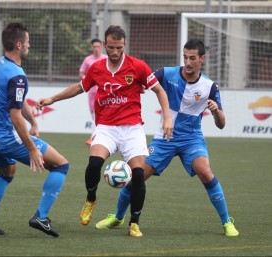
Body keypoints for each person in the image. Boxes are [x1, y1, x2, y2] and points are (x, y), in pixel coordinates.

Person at [37, 25, 173, 237]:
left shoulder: (138, 66)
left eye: (119, 47)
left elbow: (159, 90)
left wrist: (167, 117)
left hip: (132, 128)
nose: (115, 52)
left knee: (138, 175)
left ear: (124, 44)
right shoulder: (97, 68)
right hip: (106, 127)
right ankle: (91, 198)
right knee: (94, 164)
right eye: (111, 47)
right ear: (105, 45)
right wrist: (52, 98)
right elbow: (79, 87)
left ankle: (134, 223)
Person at [95, 39, 239, 237]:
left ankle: (226, 222)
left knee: (205, 172)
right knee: (137, 176)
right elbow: (144, 81)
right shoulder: (166, 73)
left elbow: (221, 123)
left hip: (191, 139)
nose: (188, 62)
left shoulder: (209, 86)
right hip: (165, 138)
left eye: (192, 58)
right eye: (185, 57)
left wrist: (215, 111)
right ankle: (118, 217)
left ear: (202, 59)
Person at [0, 22, 69, 238]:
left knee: (7, 172)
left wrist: (34, 122)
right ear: (19, 45)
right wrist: (31, 149)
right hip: (6, 137)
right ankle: (41, 217)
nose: (30, 45)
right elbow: (14, 114)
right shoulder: (17, 76)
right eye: (27, 42)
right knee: (61, 165)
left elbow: (17, 103)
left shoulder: (0, 63)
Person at [78, 38, 107, 146]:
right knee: (94, 116)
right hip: (92, 93)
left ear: (102, 47)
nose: (96, 49)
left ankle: (93, 138)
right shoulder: (88, 60)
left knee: (99, 115)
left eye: (98, 46)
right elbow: (81, 73)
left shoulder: (106, 59)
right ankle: (97, 137)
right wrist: (88, 79)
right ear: (92, 48)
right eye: (94, 47)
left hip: (104, 92)